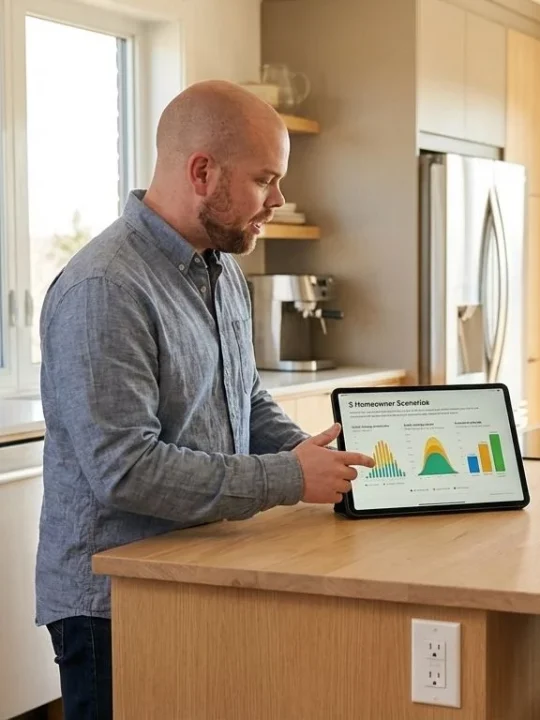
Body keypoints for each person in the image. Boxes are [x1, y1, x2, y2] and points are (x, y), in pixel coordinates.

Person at [35, 80, 375, 720]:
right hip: (113, 604)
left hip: (199, 573)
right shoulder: (105, 286)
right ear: (202, 172)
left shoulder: (221, 271)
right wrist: (286, 477)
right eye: (265, 179)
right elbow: (125, 470)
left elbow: (243, 400)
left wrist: (314, 456)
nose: (277, 200)